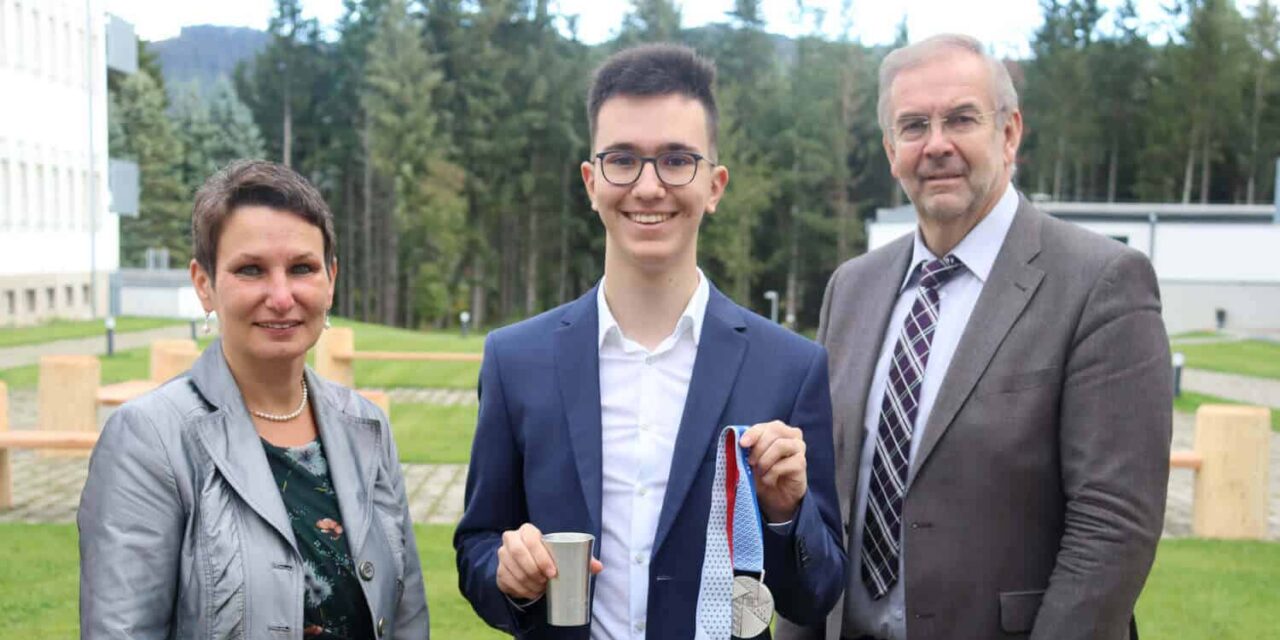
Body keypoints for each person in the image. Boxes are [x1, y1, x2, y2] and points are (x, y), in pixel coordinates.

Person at [775, 33, 1173, 640]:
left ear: (1010, 132)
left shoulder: (1101, 283)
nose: (937, 145)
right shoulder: (850, 290)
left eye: (961, 118)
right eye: (913, 126)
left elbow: (1113, 527)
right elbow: (829, 498)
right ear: (890, 150)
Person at [454, 44, 846, 639]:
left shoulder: (789, 368)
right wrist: (505, 572)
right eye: (623, 160)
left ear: (714, 186)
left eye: (676, 160)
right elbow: (478, 546)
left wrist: (788, 513)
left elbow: (815, 594)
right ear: (591, 182)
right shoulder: (515, 361)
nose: (648, 185)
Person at [78, 160, 430, 639]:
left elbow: (407, 619)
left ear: (331, 278)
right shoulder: (150, 440)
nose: (282, 296)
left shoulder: (365, 426)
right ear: (204, 284)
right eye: (251, 270)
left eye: (302, 268)